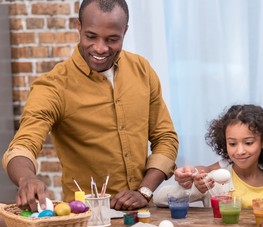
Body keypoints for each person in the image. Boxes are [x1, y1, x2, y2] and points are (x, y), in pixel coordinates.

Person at [1, 0, 178, 212]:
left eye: (112, 39)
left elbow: (165, 138)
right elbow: (23, 145)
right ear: (79, 27)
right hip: (86, 221)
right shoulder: (54, 86)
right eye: (91, 36)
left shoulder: (142, 70)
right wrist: (26, 178)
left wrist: (144, 192)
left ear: (125, 32)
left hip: (143, 215)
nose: (100, 48)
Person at [154, 104, 263, 209]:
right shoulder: (213, 182)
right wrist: (197, 189)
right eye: (232, 144)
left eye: (248, 142)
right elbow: (159, 199)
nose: (240, 151)